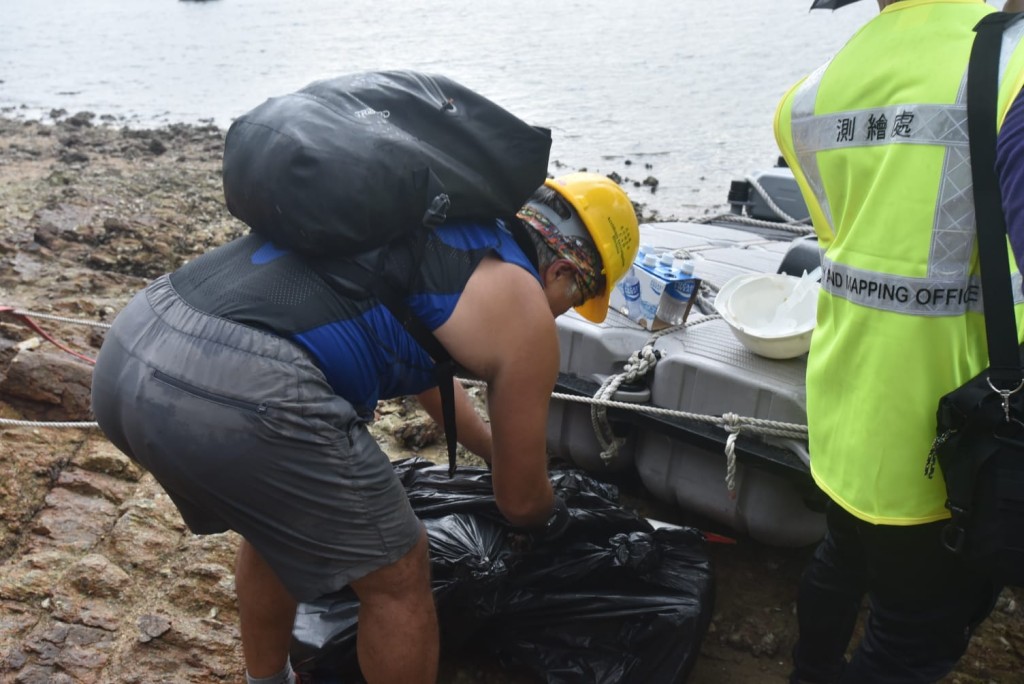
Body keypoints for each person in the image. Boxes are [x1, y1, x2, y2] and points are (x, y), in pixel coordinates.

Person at [90, 171, 640, 684]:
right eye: (577, 299)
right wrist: (563, 520)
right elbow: (521, 502)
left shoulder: (433, 226)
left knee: (275, 523)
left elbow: (429, 364)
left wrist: (490, 449)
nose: (566, 312)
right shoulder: (521, 303)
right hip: (242, 391)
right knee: (399, 572)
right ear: (566, 271)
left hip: (132, 349)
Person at [774, 1, 1024, 682]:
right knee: (910, 639)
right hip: (951, 437)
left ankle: (811, 671)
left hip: (842, 410)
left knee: (843, 556)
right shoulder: (1011, 61)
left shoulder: (808, 97)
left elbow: (846, 243)